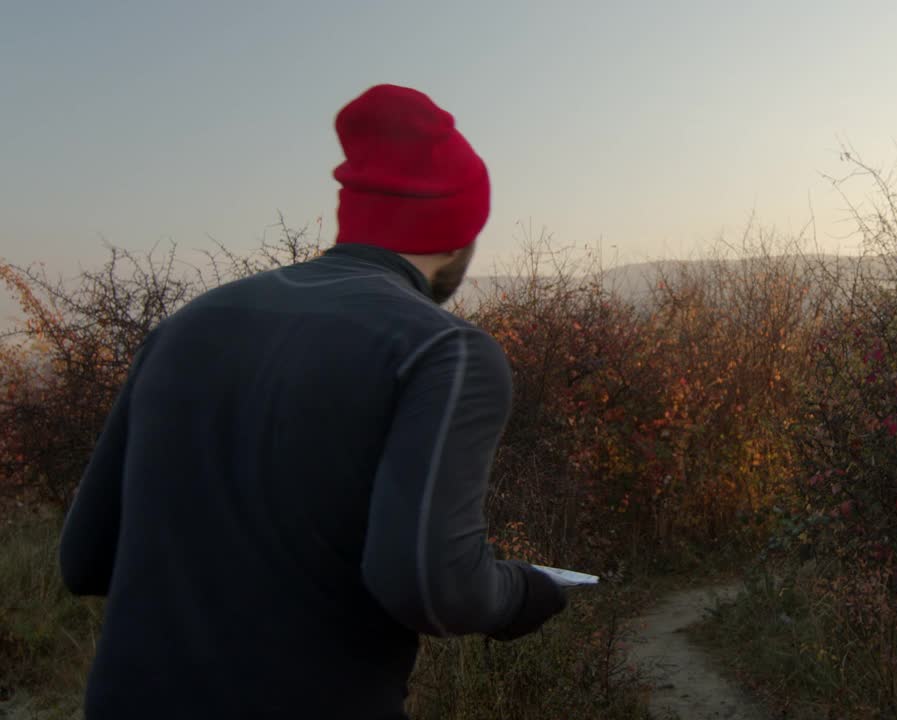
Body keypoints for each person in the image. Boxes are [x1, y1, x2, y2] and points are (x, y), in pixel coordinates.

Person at [57, 84, 568, 719]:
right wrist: (522, 593)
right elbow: (432, 589)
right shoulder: (445, 352)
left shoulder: (186, 325)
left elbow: (84, 560)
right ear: (460, 234)